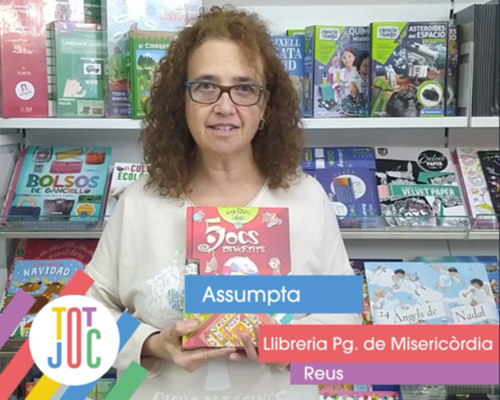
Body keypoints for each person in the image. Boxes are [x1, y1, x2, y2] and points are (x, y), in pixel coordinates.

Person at [85, 6, 361, 400]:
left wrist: (288, 343)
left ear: (266, 106)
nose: (225, 106)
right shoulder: (140, 203)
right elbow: (83, 317)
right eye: (205, 86)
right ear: (181, 101)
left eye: (244, 88)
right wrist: (151, 343)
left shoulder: (306, 199)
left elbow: (345, 315)